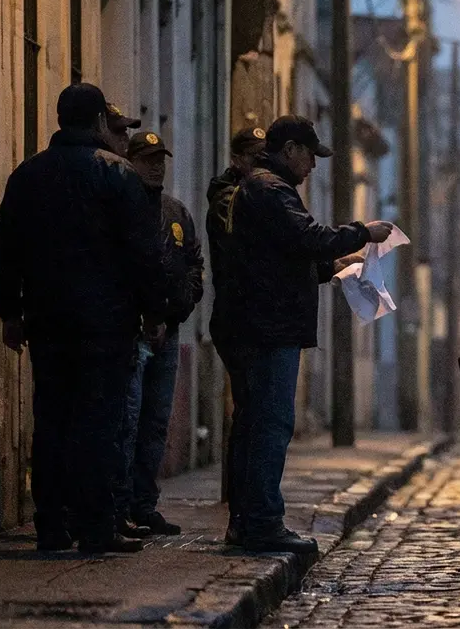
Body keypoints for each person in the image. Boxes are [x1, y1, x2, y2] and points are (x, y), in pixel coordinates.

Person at [0, 83, 168, 554]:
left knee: (52, 420)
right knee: (100, 423)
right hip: (106, 323)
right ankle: (96, 526)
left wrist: (10, 312)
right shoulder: (117, 175)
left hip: (48, 321)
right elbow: (143, 252)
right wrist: (155, 311)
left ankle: (51, 525)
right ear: (98, 122)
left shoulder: (28, 175)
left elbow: (5, 251)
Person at [222, 115, 392, 553]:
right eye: (310, 156)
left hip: (262, 323)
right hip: (269, 327)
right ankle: (262, 522)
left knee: (258, 423)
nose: (313, 166)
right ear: (291, 150)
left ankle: (248, 520)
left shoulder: (263, 188)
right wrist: (363, 232)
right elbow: (306, 236)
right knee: (270, 424)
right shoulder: (271, 190)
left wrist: (331, 266)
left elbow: (284, 256)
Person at [114, 131, 204, 536]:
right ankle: (119, 505)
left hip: (168, 333)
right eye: (147, 159)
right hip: (132, 334)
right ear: (130, 161)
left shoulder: (175, 212)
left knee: (155, 422)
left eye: (160, 160)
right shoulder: (121, 207)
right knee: (127, 420)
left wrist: (175, 313)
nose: (156, 167)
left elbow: (193, 266)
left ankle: (144, 503)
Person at [206, 126, 268, 546]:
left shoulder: (252, 195)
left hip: (250, 318)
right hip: (240, 318)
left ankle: (245, 512)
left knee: (252, 415)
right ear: (239, 159)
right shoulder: (231, 200)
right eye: (256, 157)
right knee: (250, 417)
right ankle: (242, 514)